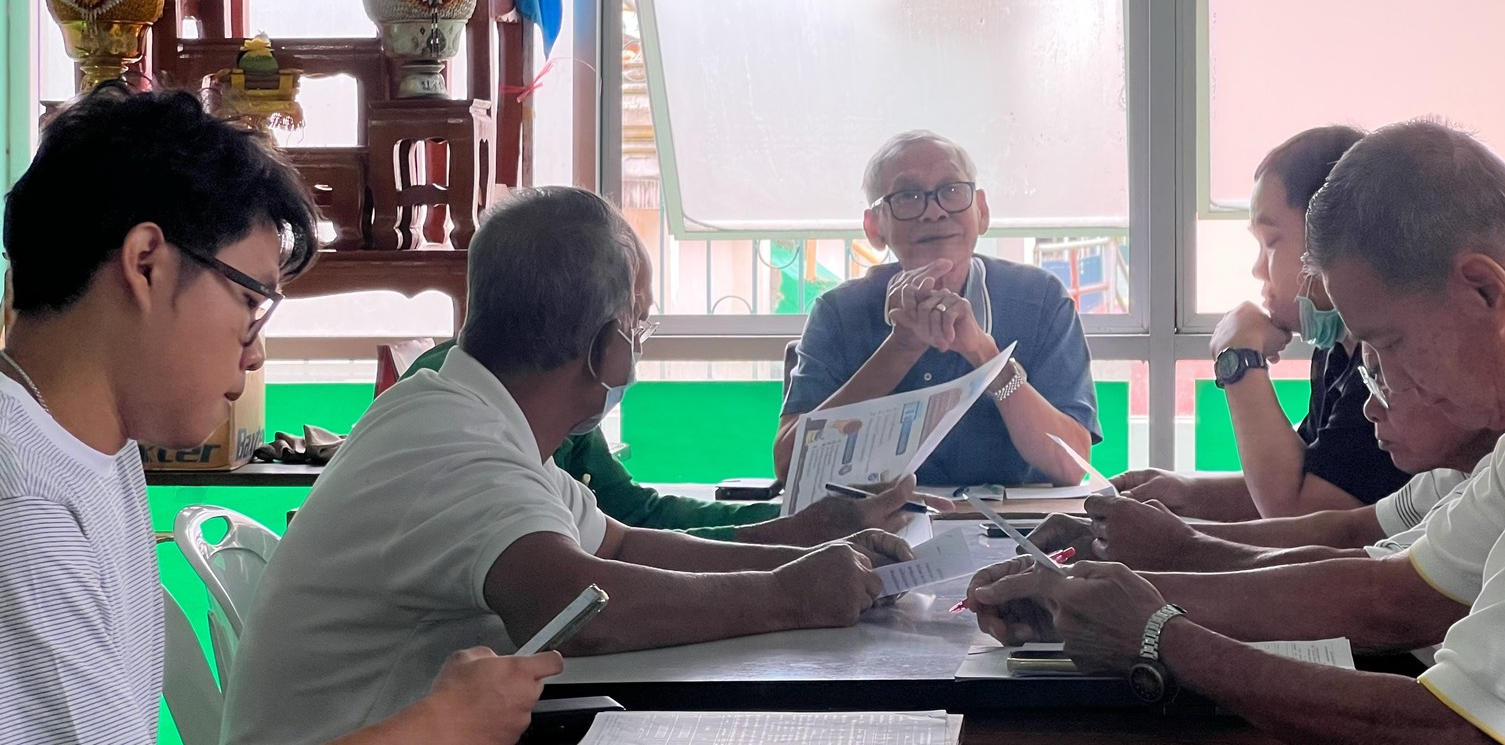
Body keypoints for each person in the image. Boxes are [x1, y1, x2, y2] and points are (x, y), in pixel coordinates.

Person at [964, 120, 1505, 745]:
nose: (1390, 380)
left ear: (1484, 289)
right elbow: (1395, 594)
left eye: (1390, 344)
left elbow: (1454, 729)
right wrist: (1089, 596)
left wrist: (1161, 634)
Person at [222, 187, 913, 745]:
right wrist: (789, 595)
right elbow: (578, 607)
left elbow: (619, 545)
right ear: (611, 348)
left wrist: (807, 551)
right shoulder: (451, 444)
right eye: (640, 326)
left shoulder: (470, 415)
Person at [0, 85, 559, 745]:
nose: (257, 351)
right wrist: (436, 726)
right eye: (250, 301)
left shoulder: (95, 448)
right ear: (146, 264)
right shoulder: (26, 505)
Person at [403, 247, 944, 546]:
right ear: (598, 337)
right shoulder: (466, 422)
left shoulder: (550, 420)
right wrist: (795, 563)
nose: (638, 350)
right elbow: (587, 595)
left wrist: (798, 523)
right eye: (639, 325)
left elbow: (629, 524)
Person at [1112, 126, 1408, 520]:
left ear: (1332, 238)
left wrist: (1240, 361)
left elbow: (1294, 511)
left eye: (1271, 242)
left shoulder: (1388, 363)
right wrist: (1184, 494)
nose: (1257, 269)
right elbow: (1302, 477)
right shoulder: (1338, 352)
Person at [775, 131, 1098, 488]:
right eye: (908, 196)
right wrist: (901, 348)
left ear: (981, 211)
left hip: (1017, 522)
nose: (934, 211)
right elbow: (790, 467)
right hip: (875, 521)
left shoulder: (1040, 300)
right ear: (874, 227)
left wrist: (987, 358)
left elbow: (1072, 466)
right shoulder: (838, 312)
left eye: (951, 190)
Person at [1028, 342, 1497, 573]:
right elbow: (1344, 530)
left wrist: (1172, 556)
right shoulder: (1445, 476)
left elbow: (1374, 592)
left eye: (1385, 381)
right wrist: (1154, 536)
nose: (1370, 407)